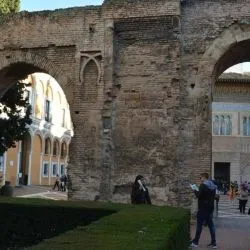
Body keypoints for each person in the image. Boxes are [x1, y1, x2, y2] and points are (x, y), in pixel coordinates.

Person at [190, 173, 217, 249]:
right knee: (211, 225)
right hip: (210, 207)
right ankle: (214, 243)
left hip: (203, 208)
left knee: (199, 225)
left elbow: (199, 195)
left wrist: (194, 189)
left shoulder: (203, 185)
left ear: (204, 177)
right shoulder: (213, 185)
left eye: (200, 177)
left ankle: (195, 242)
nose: (200, 178)